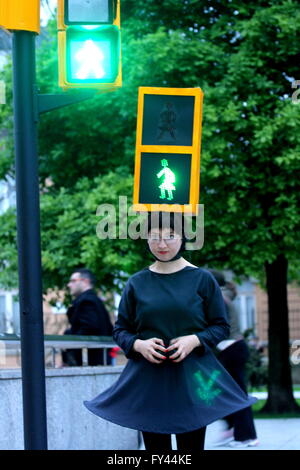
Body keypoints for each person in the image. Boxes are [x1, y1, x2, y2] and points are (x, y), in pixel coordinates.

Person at [84, 213, 256, 451]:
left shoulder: (202, 279)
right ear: (146, 239)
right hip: (148, 379)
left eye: (170, 236)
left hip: (192, 377)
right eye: (154, 237)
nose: (162, 244)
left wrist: (194, 340)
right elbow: (121, 330)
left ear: (183, 238)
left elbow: (220, 326)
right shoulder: (136, 282)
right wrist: (138, 345)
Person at [209, 270, 259, 448]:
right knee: (226, 392)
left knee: (237, 395)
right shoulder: (222, 296)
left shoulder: (219, 299)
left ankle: (247, 437)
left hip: (231, 349)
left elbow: (216, 326)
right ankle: (233, 429)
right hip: (231, 349)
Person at [62, 268, 113, 366]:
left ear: (85, 281)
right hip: (96, 358)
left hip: (90, 360)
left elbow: (89, 328)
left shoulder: (87, 301)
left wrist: (71, 349)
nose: (69, 285)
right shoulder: (92, 300)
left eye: (73, 281)